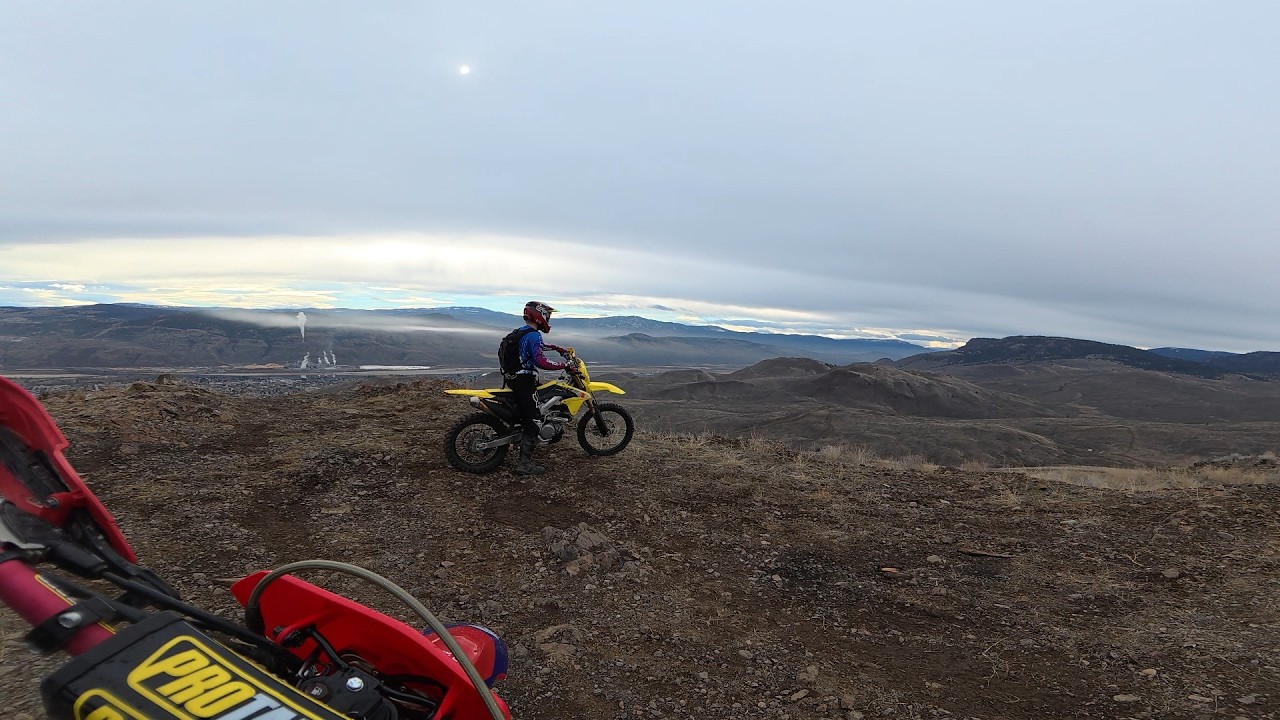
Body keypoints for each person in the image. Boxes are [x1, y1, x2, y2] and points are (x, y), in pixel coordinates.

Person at [509, 301, 571, 476]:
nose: (548, 319)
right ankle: (524, 464)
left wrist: (557, 348)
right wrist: (563, 366)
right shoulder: (534, 335)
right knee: (535, 419)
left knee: (528, 412)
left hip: (514, 379)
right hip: (524, 381)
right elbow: (540, 361)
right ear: (540, 315)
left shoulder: (522, 332)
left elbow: (536, 348)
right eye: (547, 315)